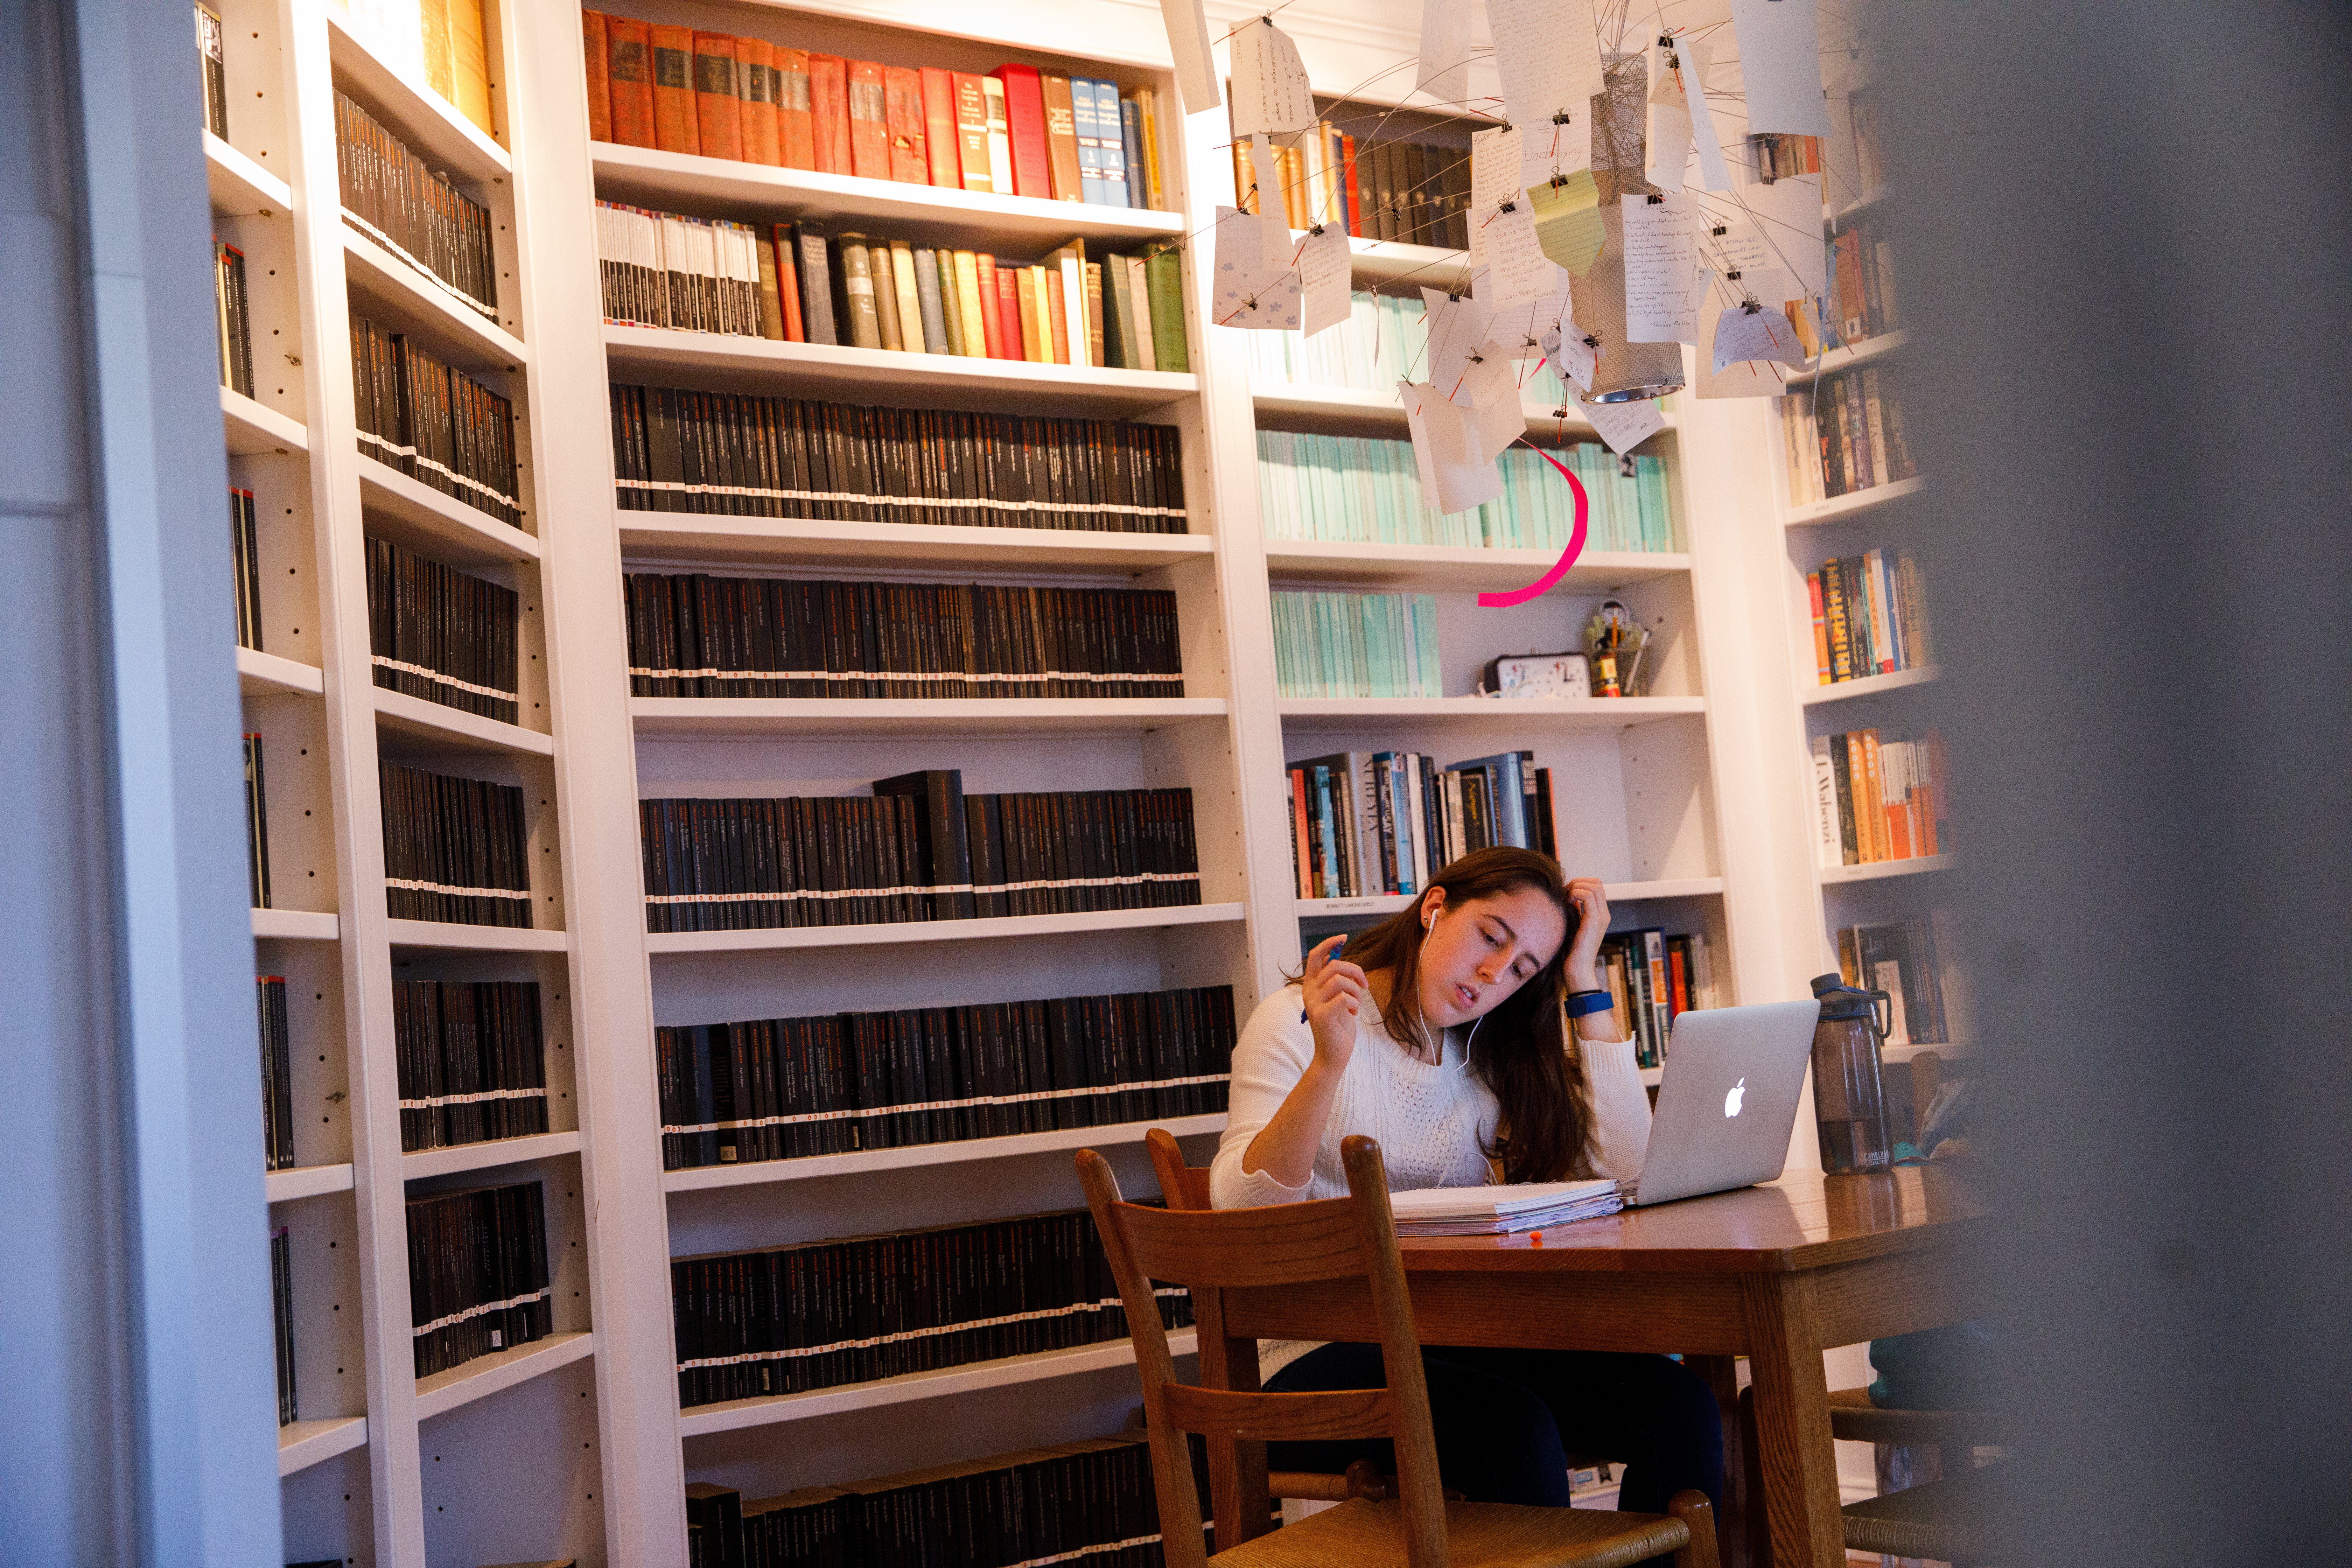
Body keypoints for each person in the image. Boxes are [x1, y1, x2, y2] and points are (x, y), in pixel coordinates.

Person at [1209, 846, 1723, 1522]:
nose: (1492, 973)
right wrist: (1328, 1066)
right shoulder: (1302, 1020)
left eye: (1521, 969)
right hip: (1307, 1350)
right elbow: (1240, 1211)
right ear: (1435, 907)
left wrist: (1584, 980)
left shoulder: (1483, 1053)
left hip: (1447, 1335)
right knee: (1513, 1428)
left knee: (1678, 1404)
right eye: (1490, 937)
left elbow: (1629, 1173)